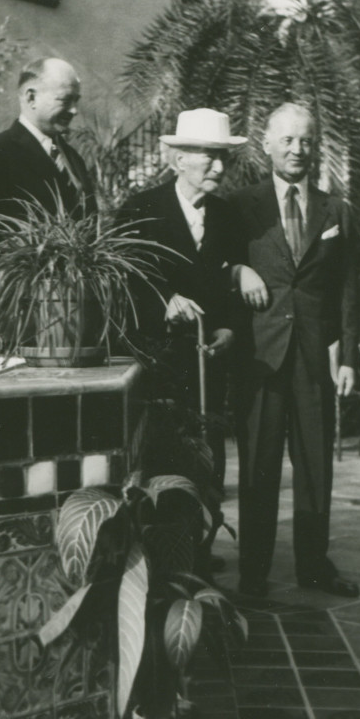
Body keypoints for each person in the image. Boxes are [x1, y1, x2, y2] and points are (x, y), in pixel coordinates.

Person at [230, 102, 360, 599]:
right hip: (260, 356)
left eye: (306, 140)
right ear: (266, 144)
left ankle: (313, 565)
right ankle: (253, 572)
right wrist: (234, 273)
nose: (297, 149)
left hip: (313, 358)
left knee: (315, 465)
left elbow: (348, 288)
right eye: (287, 139)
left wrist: (348, 355)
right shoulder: (242, 206)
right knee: (259, 466)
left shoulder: (335, 210)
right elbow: (220, 265)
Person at [119, 108, 247, 496]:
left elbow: (232, 283)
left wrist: (228, 328)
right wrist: (165, 300)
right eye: (210, 155)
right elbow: (125, 279)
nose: (220, 167)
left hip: (208, 366)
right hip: (158, 365)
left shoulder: (228, 216)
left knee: (208, 459)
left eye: (224, 156)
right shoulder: (139, 210)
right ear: (178, 160)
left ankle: (203, 550)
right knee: (162, 465)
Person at [0, 57, 94, 254]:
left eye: (76, 101)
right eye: (65, 100)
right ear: (31, 98)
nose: (74, 111)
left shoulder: (73, 159)